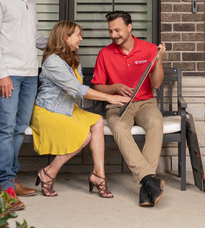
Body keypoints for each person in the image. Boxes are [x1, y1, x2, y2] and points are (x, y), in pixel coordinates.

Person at [30, 21, 128, 197]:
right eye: (77, 35)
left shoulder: (72, 58)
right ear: (65, 37)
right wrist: (109, 97)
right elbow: (77, 89)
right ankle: (49, 172)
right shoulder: (53, 62)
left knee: (97, 121)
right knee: (85, 136)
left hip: (67, 108)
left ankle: (99, 174)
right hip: (49, 111)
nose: (81, 39)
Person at [0, 0, 50, 210]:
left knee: (20, 128)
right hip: (8, 75)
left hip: (30, 73)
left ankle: (10, 179)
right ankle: (4, 187)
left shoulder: (29, 1)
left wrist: (57, 42)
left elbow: (33, 36)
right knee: (6, 128)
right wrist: (1, 73)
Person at [91, 11, 167, 207]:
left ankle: (146, 183)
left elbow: (157, 84)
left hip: (145, 103)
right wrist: (115, 87)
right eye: (110, 31)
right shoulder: (104, 54)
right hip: (118, 104)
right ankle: (149, 180)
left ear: (129, 27)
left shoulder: (149, 49)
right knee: (117, 126)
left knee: (156, 122)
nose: (113, 34)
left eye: (117, 30)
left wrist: (158, 61)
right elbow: (98, 86)